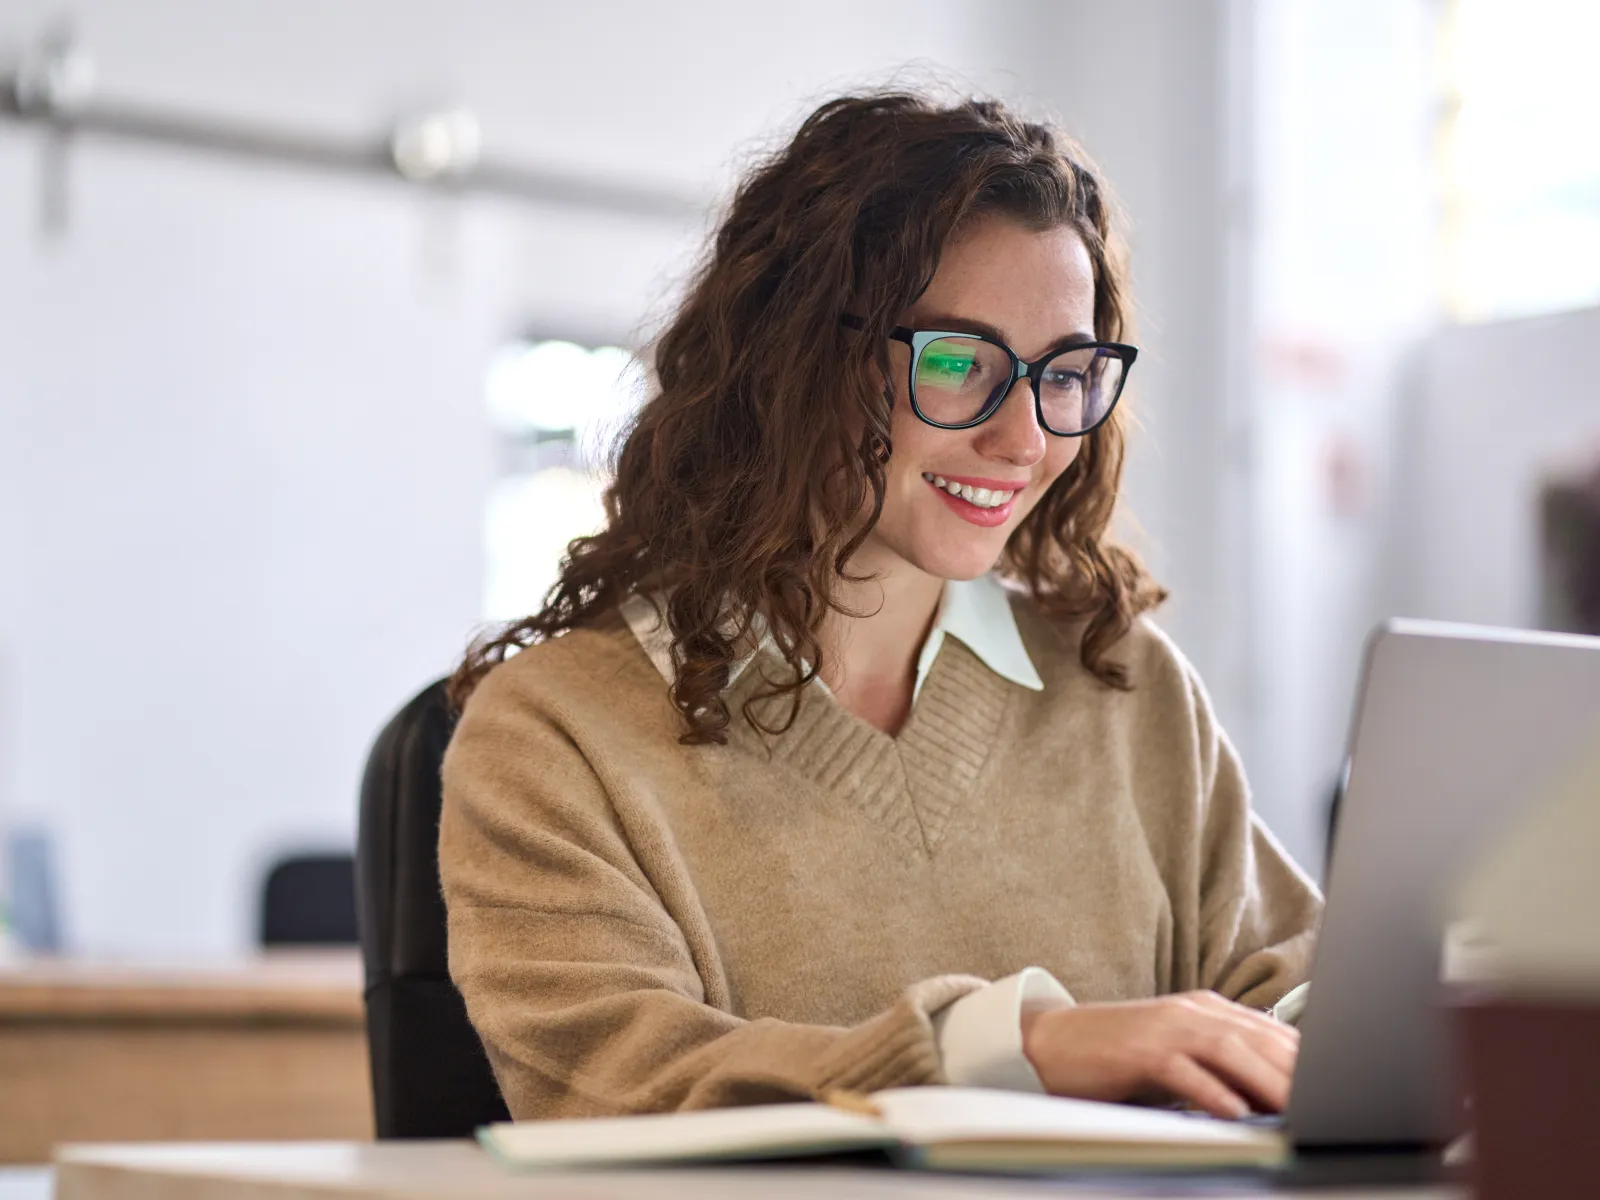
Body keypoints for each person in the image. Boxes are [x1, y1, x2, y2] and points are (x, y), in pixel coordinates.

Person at [439, 90, 1322, 1124]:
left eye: (1065, 374)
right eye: (957, 362)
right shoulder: (553, 734)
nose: (1025, 441)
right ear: (792, 359)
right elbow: (621, 1085)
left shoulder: (1126, 688)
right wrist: (1019, 1050)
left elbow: (1298, 1003)